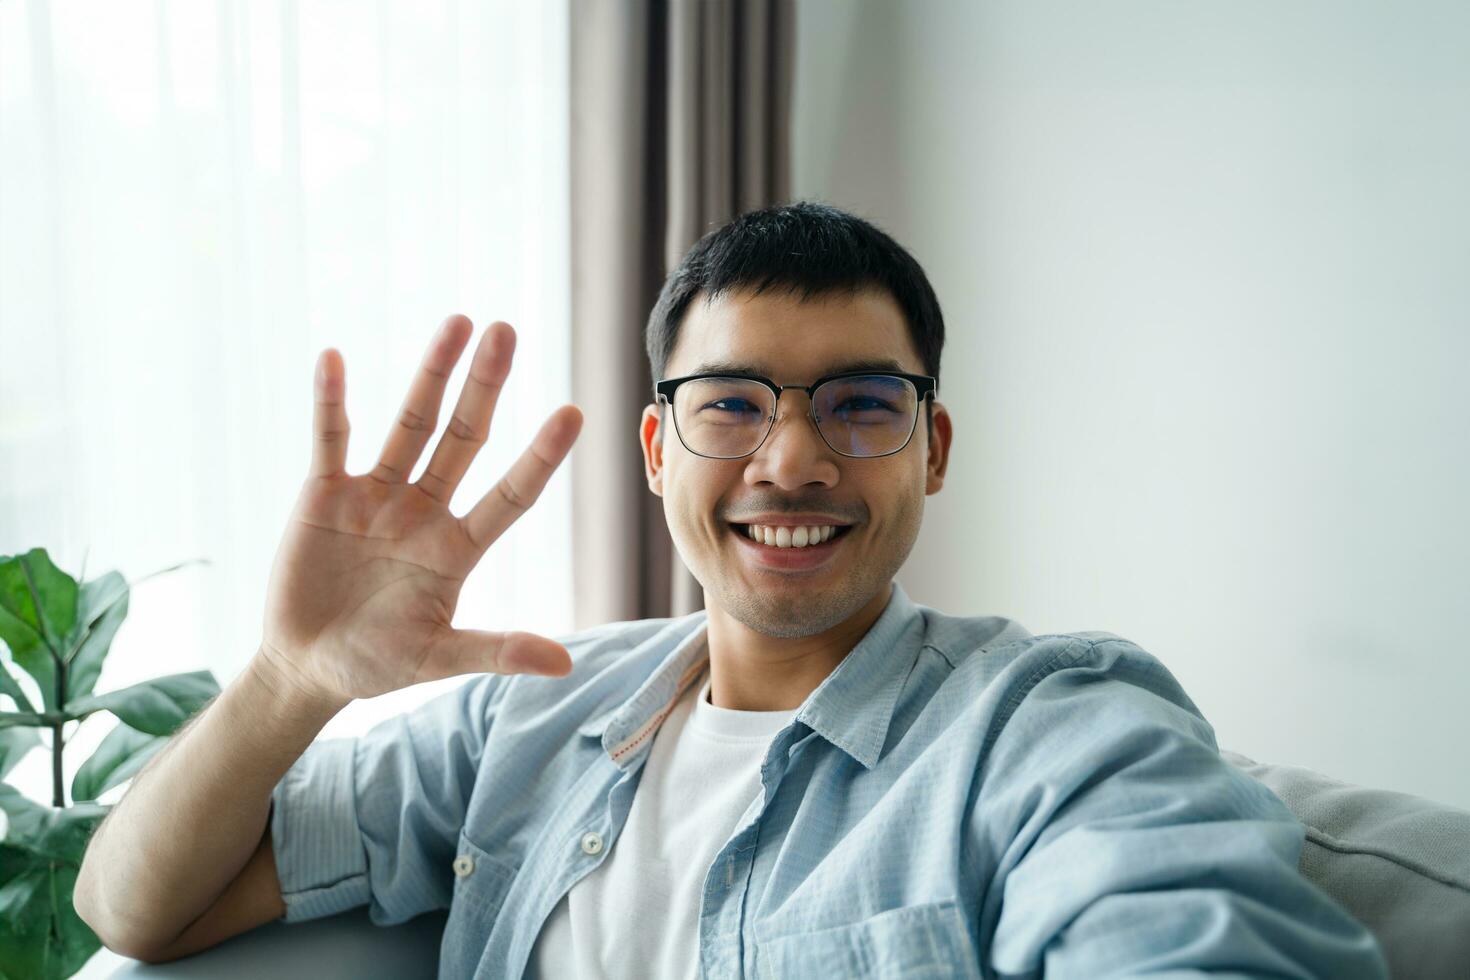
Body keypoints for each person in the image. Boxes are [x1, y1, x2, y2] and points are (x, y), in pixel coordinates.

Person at [74, 202, 1388, 978]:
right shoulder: (523, 718)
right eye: (732, 405)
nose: (792, 459)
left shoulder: (1054, 732)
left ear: (930, 448)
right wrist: (289, 684)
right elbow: (130, 907)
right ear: (659, 453)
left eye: (861, 404)